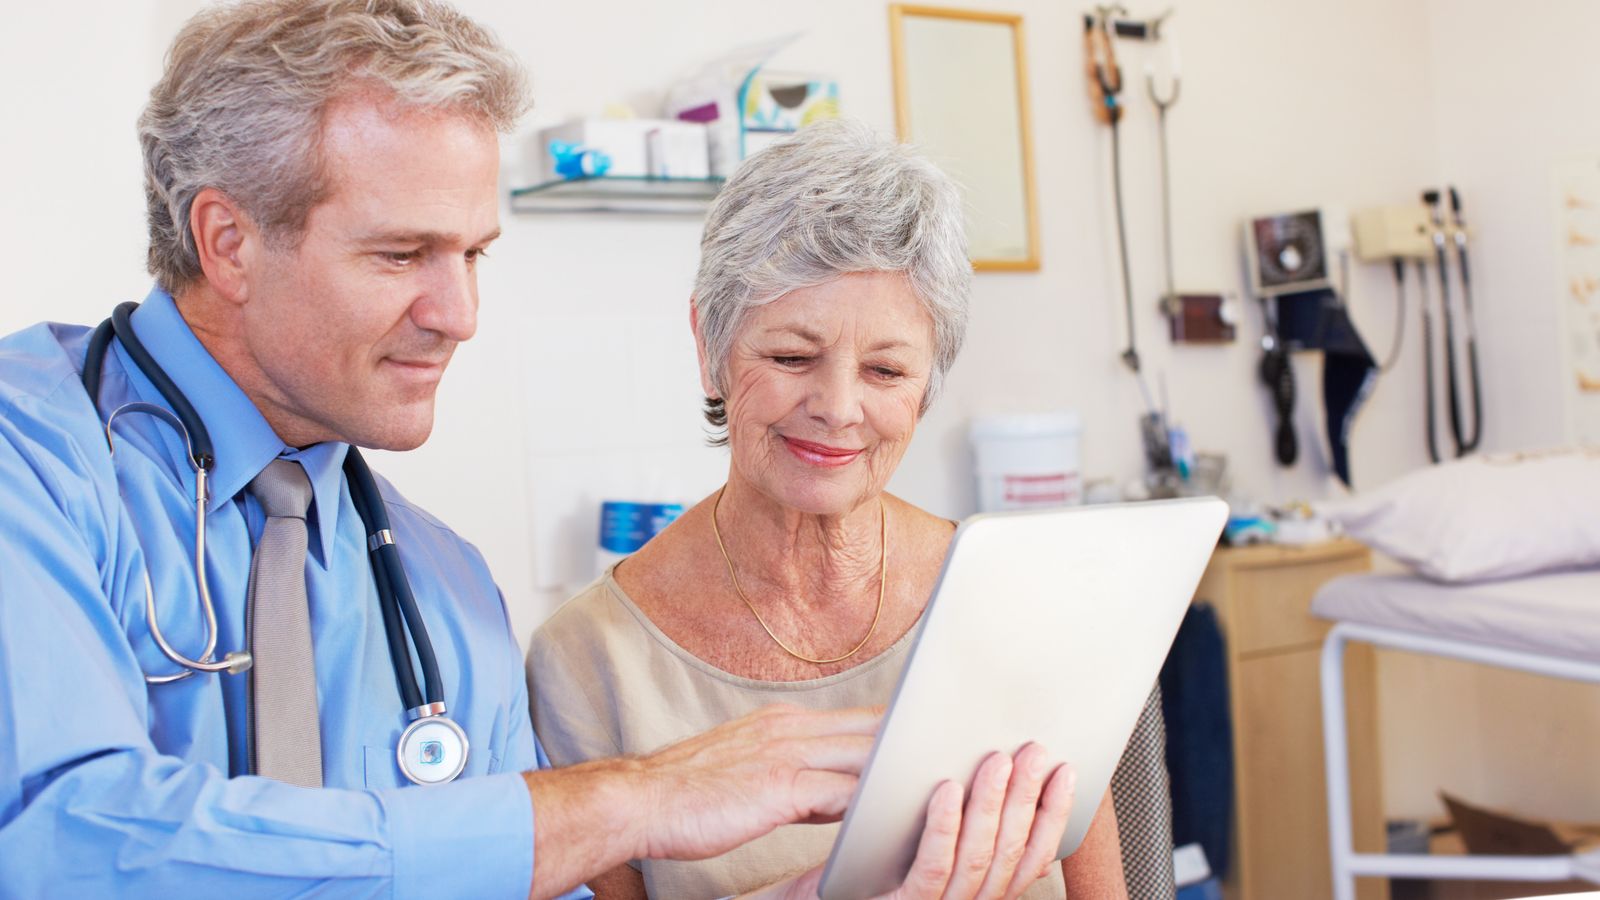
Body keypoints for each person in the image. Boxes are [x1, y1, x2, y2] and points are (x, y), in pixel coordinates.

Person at [0, 2, 1075, 897]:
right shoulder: (33, 460)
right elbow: (63, 843)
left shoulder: (443, 593)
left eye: (473, 252)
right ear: (226, 241)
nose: (460, 311)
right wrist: (632, 797)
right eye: (403, 253)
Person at [527, 120, 1130, 899]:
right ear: (710, 346)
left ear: (928, 385)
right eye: (791, 358)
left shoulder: (1012, 596)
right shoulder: (588, 661)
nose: (838, 408)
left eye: (884, 370)